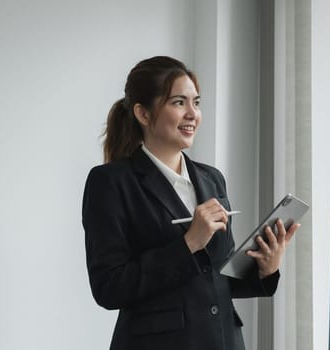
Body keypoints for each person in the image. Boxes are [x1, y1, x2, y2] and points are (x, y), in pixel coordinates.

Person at [82, 56, 299, 350]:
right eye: (178, 102)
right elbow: (108, 288)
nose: (192, 114)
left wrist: (265, 269)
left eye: (196, 103)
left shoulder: (212, 179)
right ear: (143, 114)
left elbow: (217, 279)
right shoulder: (111, 182)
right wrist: (187, 245)